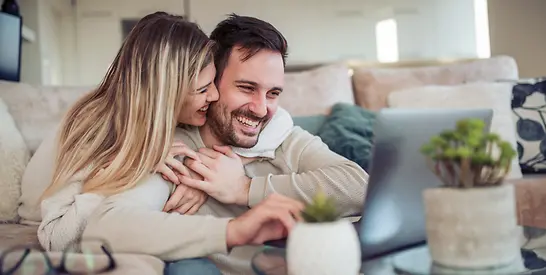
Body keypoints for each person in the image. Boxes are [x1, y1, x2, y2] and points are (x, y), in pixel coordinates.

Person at [81, 14, 369, 274]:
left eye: (273, 93)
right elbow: (105, 228)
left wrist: (245, 189)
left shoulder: (283, 136)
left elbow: (358, 187)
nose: (260, 109)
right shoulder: (176, 152)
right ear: (211, 81)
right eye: (247, 88)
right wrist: (233, 230)